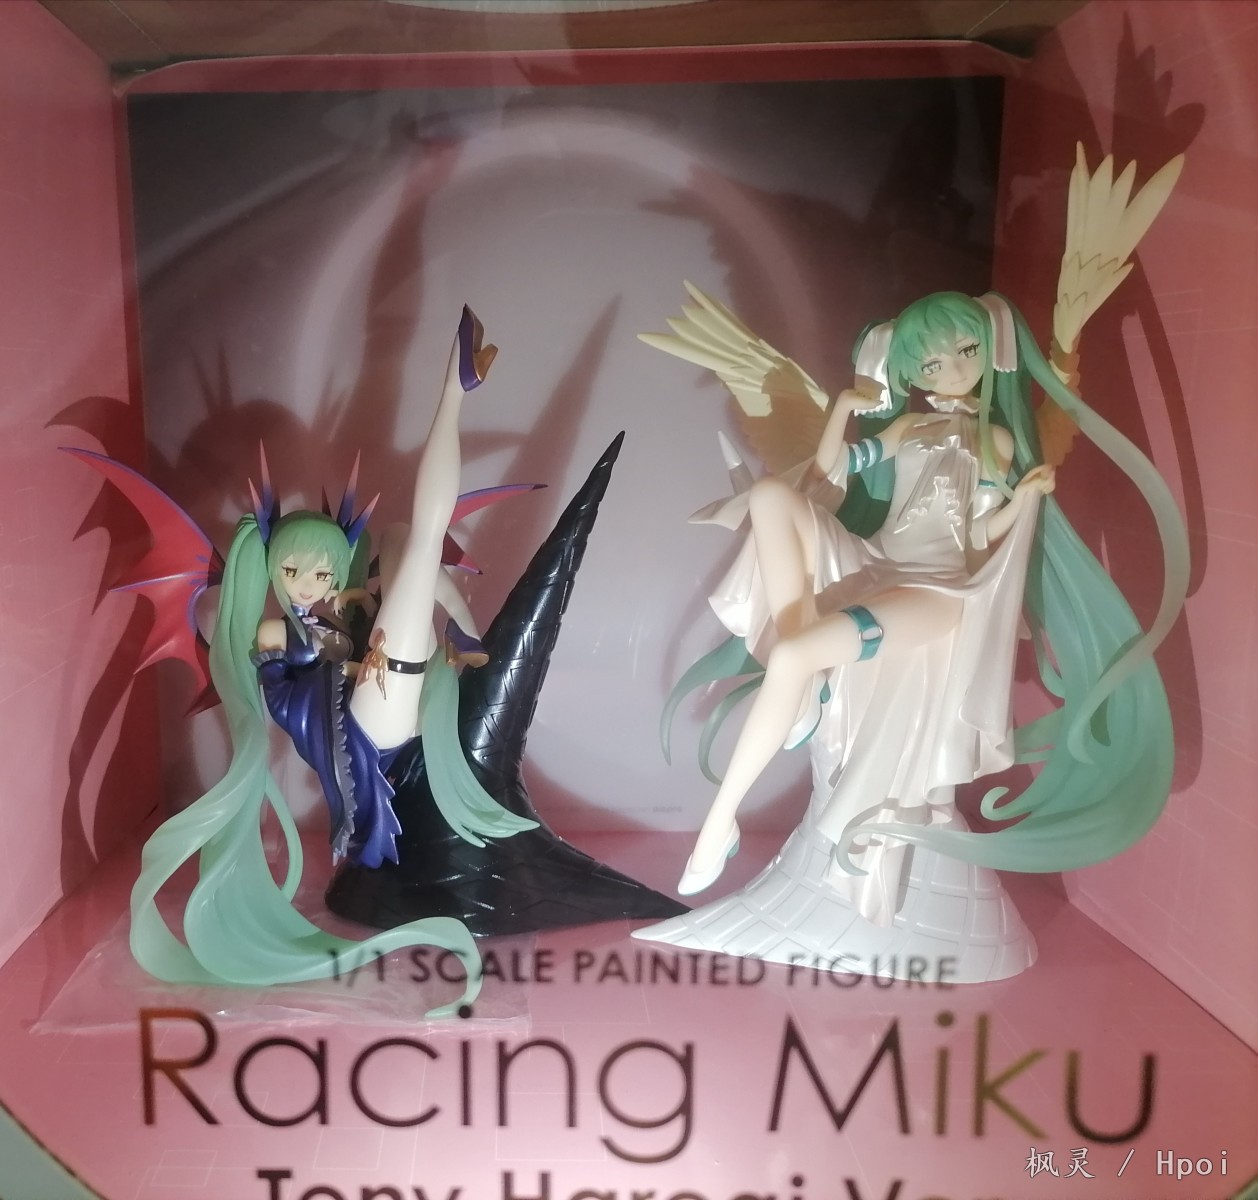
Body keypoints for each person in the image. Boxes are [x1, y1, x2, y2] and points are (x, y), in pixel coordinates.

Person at [650, 289, 1186, 925]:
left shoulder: (995, 441)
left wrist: (1023, 501)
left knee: (793, 654)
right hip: (875, 560)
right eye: (932, 364)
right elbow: (827, 476)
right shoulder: (907, 428)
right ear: (911, 374)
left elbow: (979, 536)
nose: (953, 370)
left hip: (936, 589)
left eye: (966, 351)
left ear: (989, 351)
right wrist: (842, 410)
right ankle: (801, 688)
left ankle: (722, 819)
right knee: (770, 497)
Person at [129, 307, 532, 1008]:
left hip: (393, 699)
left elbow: (345, 629)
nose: (310, 585)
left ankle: (464, 633)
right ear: (272, 572)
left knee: (405, 539)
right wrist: (349, 661)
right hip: (362, 734)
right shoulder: (273, 635)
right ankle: (453, 389)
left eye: (322, 572)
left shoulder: (342, 608)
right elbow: (293, 683)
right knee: (420, 543)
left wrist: (358, 631)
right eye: (295, 573)